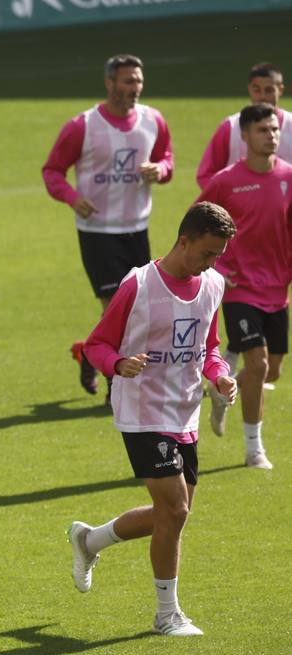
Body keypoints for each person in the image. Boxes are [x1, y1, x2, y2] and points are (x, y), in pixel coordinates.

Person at [70, 202, 238, 637]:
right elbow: (96, 345)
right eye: (206, 253)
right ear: (184, 240)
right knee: (176, 508)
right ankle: (167, 615)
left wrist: (220, 378)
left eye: (218, 255)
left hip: (185, 410)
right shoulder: (139, 284)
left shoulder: (213, 285)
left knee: (173, 516)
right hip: (142, 411)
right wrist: (117, 364)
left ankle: (89, 540)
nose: (212, 262)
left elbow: (210, 347)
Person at [42, 54, 173, 397]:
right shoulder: (82, 126)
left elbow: (167, 159)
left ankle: (90, 351)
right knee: (119, 306)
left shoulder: (153, 120)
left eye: (138, 81)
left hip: (137, 228)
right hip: (98, 231)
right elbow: (52, 171)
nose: (135, 88)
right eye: (128, 81)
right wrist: (72, 198)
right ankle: (119, 389)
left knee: (133, 308)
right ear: (109, 82)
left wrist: (160, 170)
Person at [195, 103, 292, 467]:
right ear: (245, 136)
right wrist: (215, 269)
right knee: (259, 362)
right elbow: (195, 225)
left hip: (276, 288)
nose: (271, 136)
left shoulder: (288, 176)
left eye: (274, 130)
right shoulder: (225, 181)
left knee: (273, 368)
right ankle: (254, 449)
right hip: (239, 287)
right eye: (263, 130)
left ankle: (222, 390)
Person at [196, 63, 290, 189]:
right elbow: (206, 175)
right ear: (249, 89)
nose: (262, 96)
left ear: (280, 90)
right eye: (257, 90)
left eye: (269, 90)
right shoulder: (230, 127)